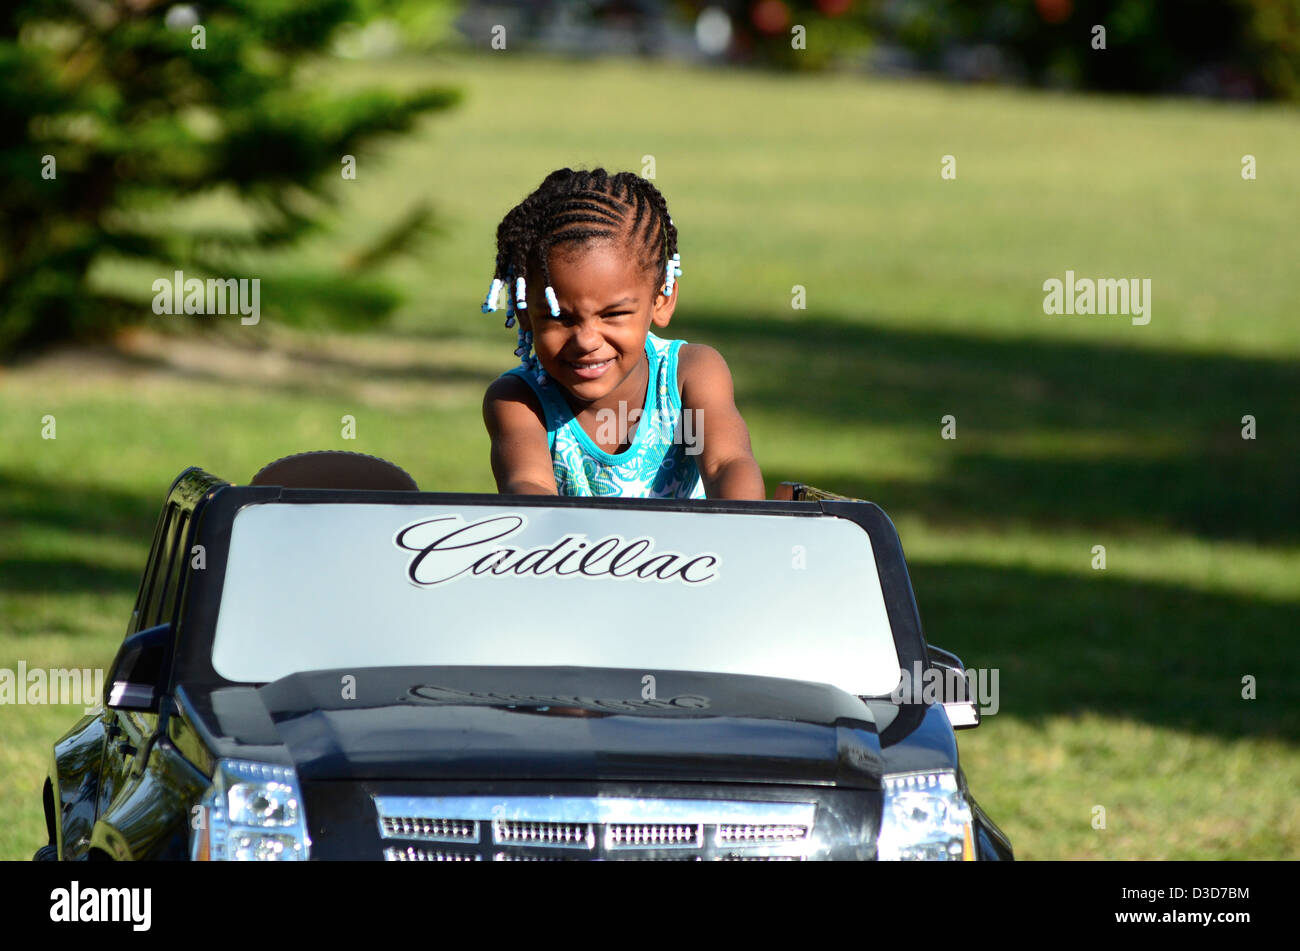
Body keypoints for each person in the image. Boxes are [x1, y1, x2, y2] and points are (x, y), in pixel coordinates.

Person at [480, 167, 766, 499]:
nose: (586, 340)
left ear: (661, 298)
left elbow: (727, 464)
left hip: (698, 551)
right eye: (560, 318)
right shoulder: (520, 402)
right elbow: (530, 493)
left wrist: (741, 534)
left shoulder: (690, 376)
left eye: (613, 314)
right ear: (525, 313)